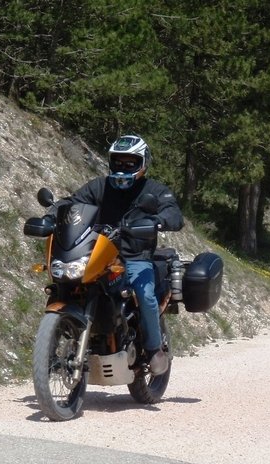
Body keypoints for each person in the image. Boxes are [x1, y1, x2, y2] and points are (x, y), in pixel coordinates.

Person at [48, 134, 183, 375]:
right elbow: (73, 202)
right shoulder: (100, 186)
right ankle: (57, 341)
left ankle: (154, 350)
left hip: (136, 258)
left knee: (145, 293)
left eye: (129, 162)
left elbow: (173, 213)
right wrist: (52, 214)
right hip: (99, 255)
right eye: (118, 162)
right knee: (68, 284)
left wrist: (160, 221)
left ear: (142, 163)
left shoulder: (154, 190)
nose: (123, 167)